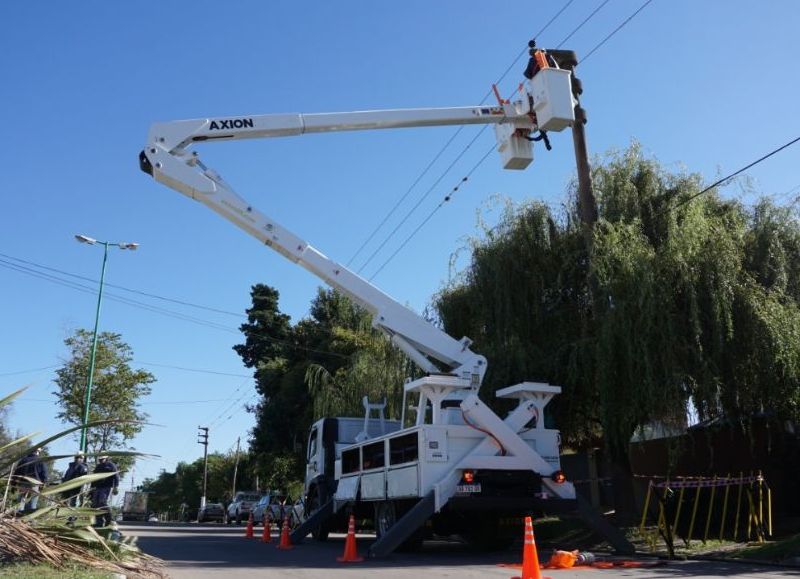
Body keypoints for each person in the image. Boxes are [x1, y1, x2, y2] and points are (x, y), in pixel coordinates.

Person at [90, 455, 120, 527]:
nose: (101, 460)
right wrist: (91, 488)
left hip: (106, 487)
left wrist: (116, 487)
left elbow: (116, 476)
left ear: (106, 458)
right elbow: (94, 478)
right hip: (97, 487)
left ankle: (109, 518)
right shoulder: (98, 467)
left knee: (102, 502)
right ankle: (99, 522)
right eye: (100, 459)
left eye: (102, 459)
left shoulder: (111, 465)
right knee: (95, 504)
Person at [16, 448, 48, 512]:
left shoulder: (23, 460)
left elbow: (17, 472)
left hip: (23, 482)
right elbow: (44, 473)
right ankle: (29, 517)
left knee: (22, 500)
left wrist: (14, 483)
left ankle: (19, 515)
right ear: (37, 452)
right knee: (33, 502)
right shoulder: (40, 460)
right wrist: (44, 483)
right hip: (35, 483)